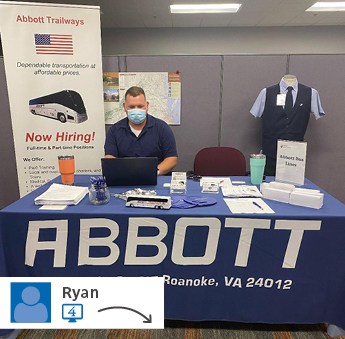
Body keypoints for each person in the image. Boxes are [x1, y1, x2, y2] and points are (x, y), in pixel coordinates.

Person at [250, 75, 325, 176]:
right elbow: (256, 113)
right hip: (271, 152)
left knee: (293, 188)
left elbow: (317, 113)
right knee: (268, 187)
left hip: (295, 156)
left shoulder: (311, 93)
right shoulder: (266, 93)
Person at [104, 86, 178, 175]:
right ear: (124, 107)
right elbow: (109, 157)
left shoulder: (162, 128)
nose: (136, 110)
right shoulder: (114, 130)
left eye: (140, 106)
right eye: (131, 107)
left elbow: (172, 159)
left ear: (147, 105)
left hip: (157, 178)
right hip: (125, 179)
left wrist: (152, 173)